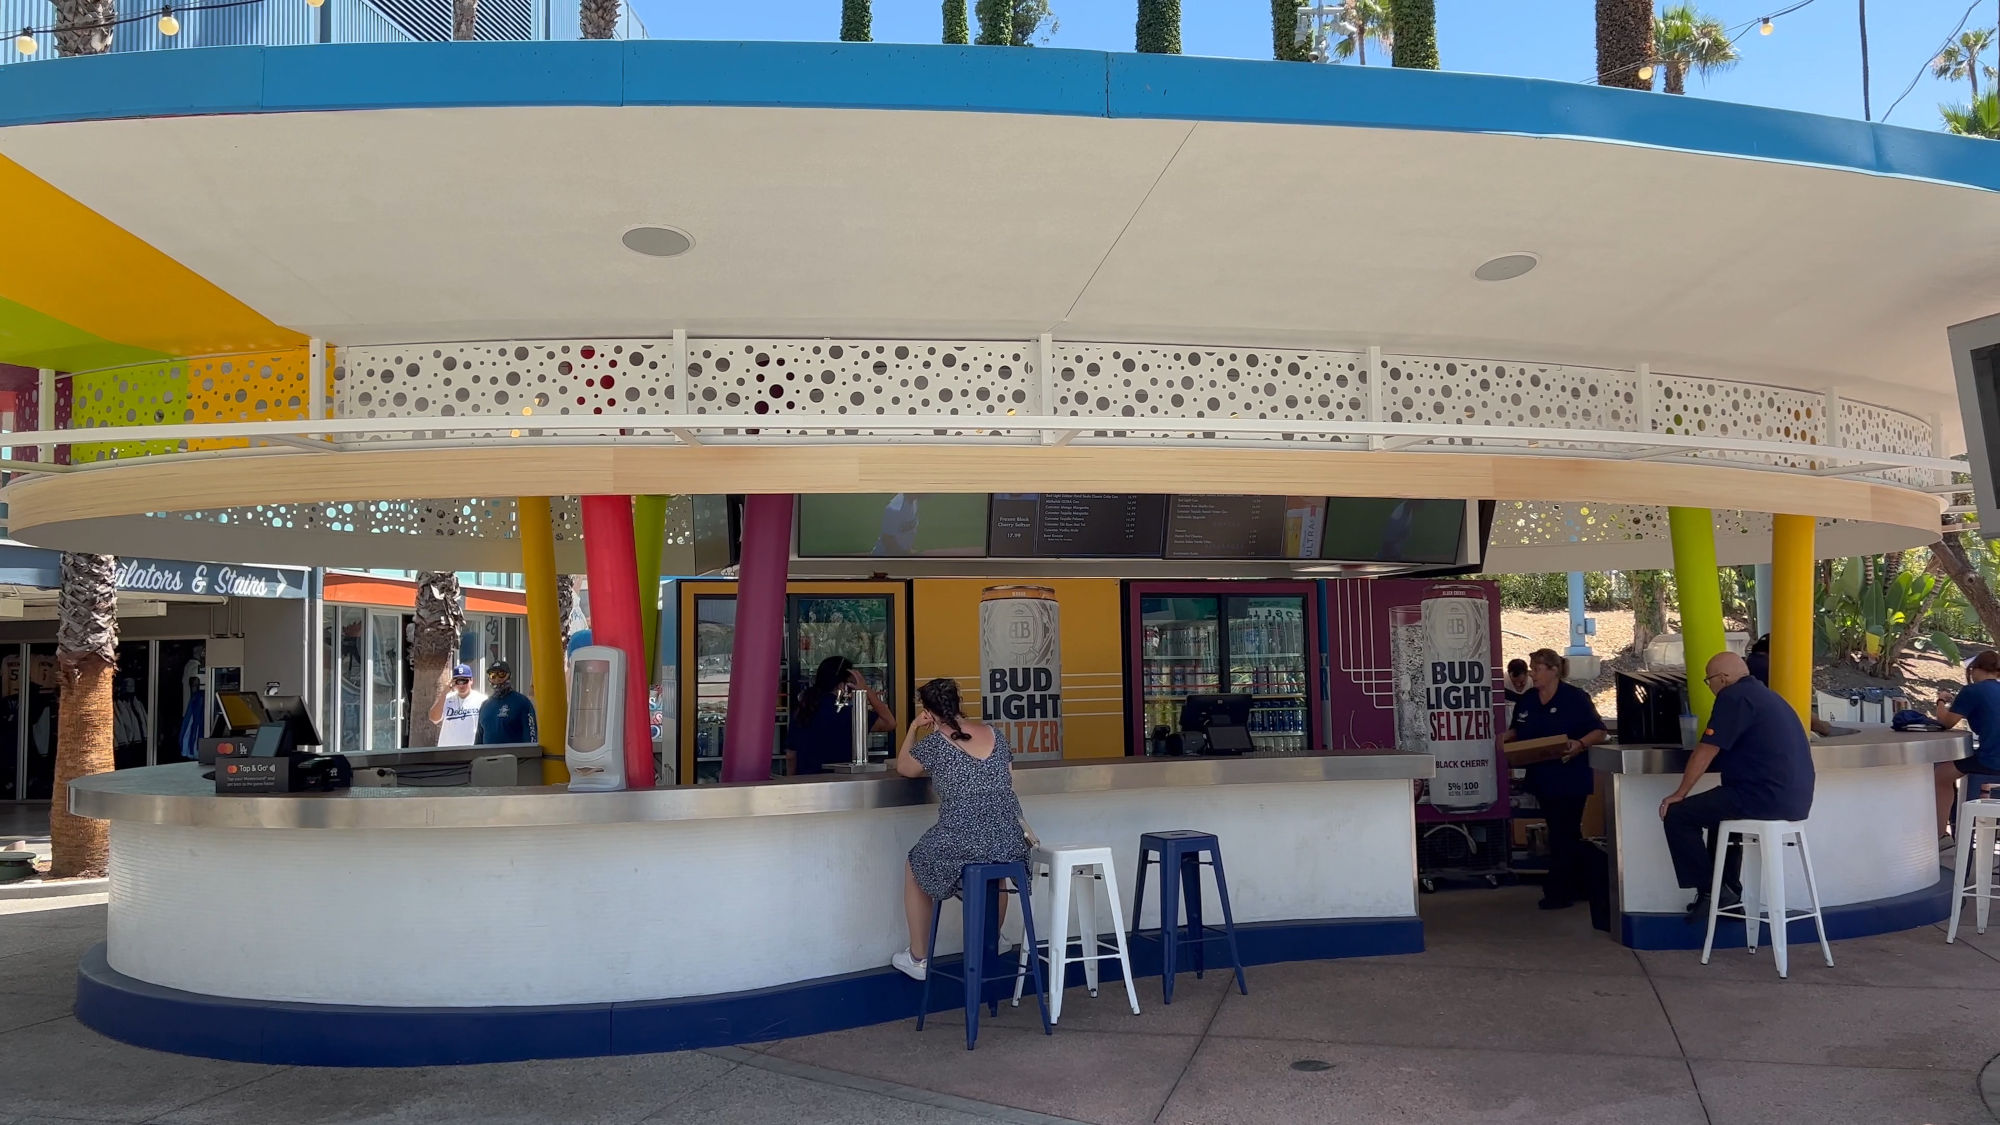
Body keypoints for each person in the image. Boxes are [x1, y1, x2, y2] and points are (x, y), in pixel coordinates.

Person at [890, 678, 1031, 982]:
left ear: (928, 710)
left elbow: (905, 768)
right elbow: (1007, 779)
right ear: (958, 702)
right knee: (997, 869)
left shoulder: (935, 743)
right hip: (1008, 835)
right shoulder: (996, 734)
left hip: (961, 837)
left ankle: (918, 957)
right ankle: (993, 940)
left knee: (916, 865)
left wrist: (914, 728)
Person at [1659, 652, 1817, 918]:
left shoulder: (1733, 697)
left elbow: (1707, 748)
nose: (1709, 687)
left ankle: (1714, 891)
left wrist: (1679, 793)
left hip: (1762, 795)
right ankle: (1728, 892)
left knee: (1678, 814)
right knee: (1720, 818)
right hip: (1793, 797)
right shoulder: (1767, 696)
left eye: (1708, 681)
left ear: (1722, 678)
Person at [1500, 648, 1608, 910]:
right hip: (1542, 777)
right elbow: (1518, 729)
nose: (1531, 674)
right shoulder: (1528, 700)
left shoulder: (1574, 698)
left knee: (1565, 831)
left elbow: (1600, 731)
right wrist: (1504, 739)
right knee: (1558, 831)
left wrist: (1580, 744)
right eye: (1531, 668)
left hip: (1570, 776)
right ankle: (1573, 884)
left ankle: (1561, 890)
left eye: (1536, 668)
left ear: (1553, 670)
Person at [786, 656, 896, 775]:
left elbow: (791, 755)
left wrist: (792, 780)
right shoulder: (850, 714)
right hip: (842, 784)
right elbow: (890, 722)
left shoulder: (803, 710)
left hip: (806, 784)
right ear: (842, 685)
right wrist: (865, 690)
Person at [1934, 650, 2000, 839]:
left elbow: (1946, 722)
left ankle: (1941, 836)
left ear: (1975, 669)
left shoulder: (1972, 690)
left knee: (1940, 776)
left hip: (1991, 759)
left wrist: (1940, 701)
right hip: (1992, 752)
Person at [475, 661, 538, 746]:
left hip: (514, 758)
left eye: (501, 674)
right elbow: (478, 742)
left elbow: (531, 738)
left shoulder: (522, 702)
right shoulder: (484, 706)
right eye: (492, 675)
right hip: (487, 758)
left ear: (509, 676)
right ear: (489, 679)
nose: (497, 679)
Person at [429, 663, 485, 748]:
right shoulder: (446, 698)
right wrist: (445, 692)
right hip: (448, 751)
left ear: (471, 681)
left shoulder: (482, 700)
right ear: (454, 682)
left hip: (472, 749)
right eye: (458, 681)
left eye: (464, 681)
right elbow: (434, 718)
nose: (461, 685)